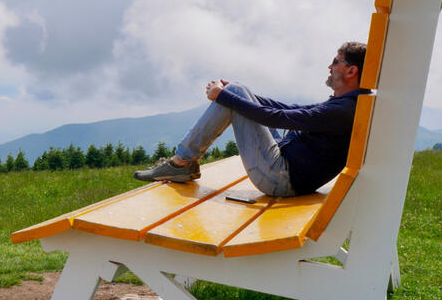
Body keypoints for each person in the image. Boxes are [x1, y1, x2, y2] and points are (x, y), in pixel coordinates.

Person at [133, 42, 369, 197]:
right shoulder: (348, 104)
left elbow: (279, 118)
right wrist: (238, 95)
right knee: (238, 89)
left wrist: (224, 96)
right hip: (287, 166)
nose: (330, 66)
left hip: (280, 179)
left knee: (234, 93)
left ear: (351, 71)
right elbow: (288, 108)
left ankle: (180, 163)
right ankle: (183, 161)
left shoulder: (343, 110)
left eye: (336, 61)